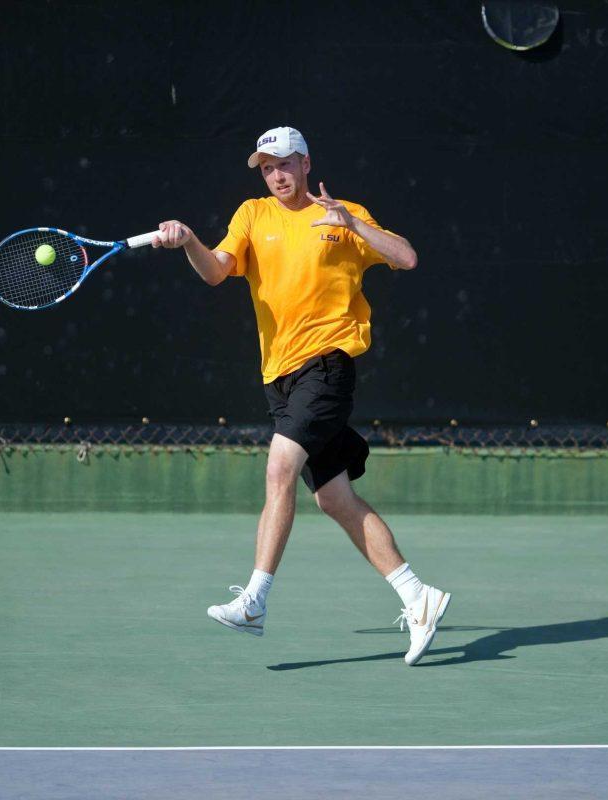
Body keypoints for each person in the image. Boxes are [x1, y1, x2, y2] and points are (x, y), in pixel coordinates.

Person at [151, 126, 450, 665]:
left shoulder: (343, 215)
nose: (276, 175)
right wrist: (189, 241)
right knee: (334, 498)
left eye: (284, 164)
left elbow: (406, 258)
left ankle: (255, 600)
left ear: (306, 162)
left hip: (329, 364)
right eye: (266, 168)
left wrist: (352, 222)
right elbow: (218, 272)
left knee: (279, 467)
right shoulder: (251, 215)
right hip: (280, 377)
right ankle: (418, 597)